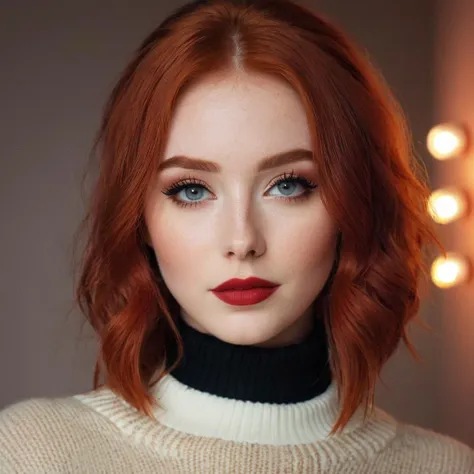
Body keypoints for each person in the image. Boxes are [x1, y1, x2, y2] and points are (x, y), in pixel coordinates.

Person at [1, 0, 473, 472]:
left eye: (288, 185)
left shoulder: (444, 466)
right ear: (139, 216)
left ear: (355, 203)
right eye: (191, 190)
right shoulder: (28, 453)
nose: (242, 240)